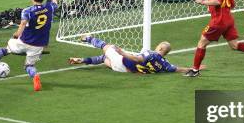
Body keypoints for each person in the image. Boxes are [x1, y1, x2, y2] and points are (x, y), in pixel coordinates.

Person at [69, 36, 203, 74]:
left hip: (123, 62)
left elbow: (137, 58)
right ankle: (82, 60)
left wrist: (122, 52)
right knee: (104, 59)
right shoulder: (164, 64)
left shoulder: (151, 54)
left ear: (161, 47)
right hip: (125, 70)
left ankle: (88, 38)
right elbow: (177, 69)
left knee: (108, 47)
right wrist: (192, 68)